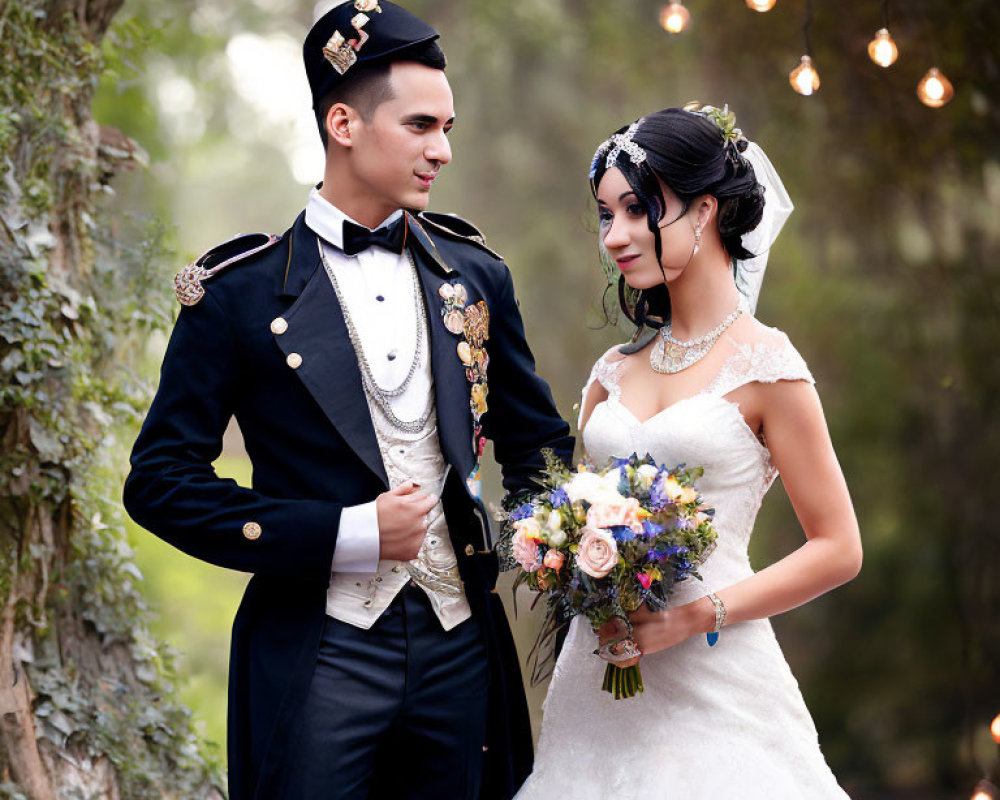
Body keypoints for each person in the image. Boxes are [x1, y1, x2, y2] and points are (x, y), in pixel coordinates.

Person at [123, 3, 573, 799]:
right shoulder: (237, 295)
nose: (442, 150)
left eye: (449, 127)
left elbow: (537, 446)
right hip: (317, 648)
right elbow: (159, 481)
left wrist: (565, 554)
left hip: (461, 643)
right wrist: (343, 532)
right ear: (344, 123)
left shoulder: (476, 277)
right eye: (422, 125)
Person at [513, 106, 862, 798]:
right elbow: (578, 506)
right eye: (606, 216)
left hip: (716, 679)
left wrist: (699, 616)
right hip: (597, 682)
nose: (616, 235)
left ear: (704, 211)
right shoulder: (613, 369)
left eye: (638, 210)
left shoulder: (768, 366)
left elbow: (839, 547)